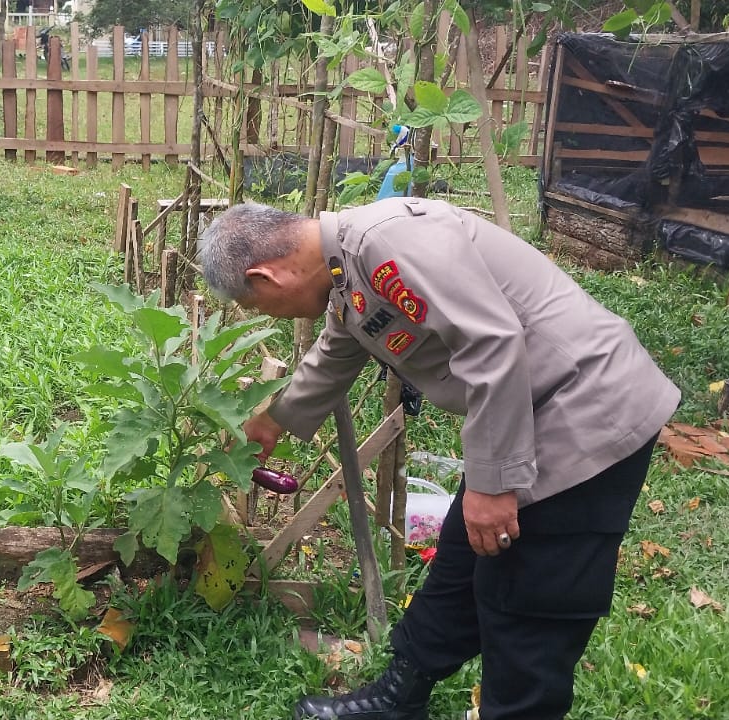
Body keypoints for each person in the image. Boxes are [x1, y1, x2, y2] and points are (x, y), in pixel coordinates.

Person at [197, 199, 680, 720]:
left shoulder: (388, 243)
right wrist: (272, 421)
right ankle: (398, 700)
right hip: (529, 412)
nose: (268, 314)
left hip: (584, 408)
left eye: (258, 304)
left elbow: (492, 342)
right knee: (461, 562)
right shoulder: (347, 271)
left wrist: (492, 487)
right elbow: (339, 348)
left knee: (530, 596)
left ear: (266, 274)